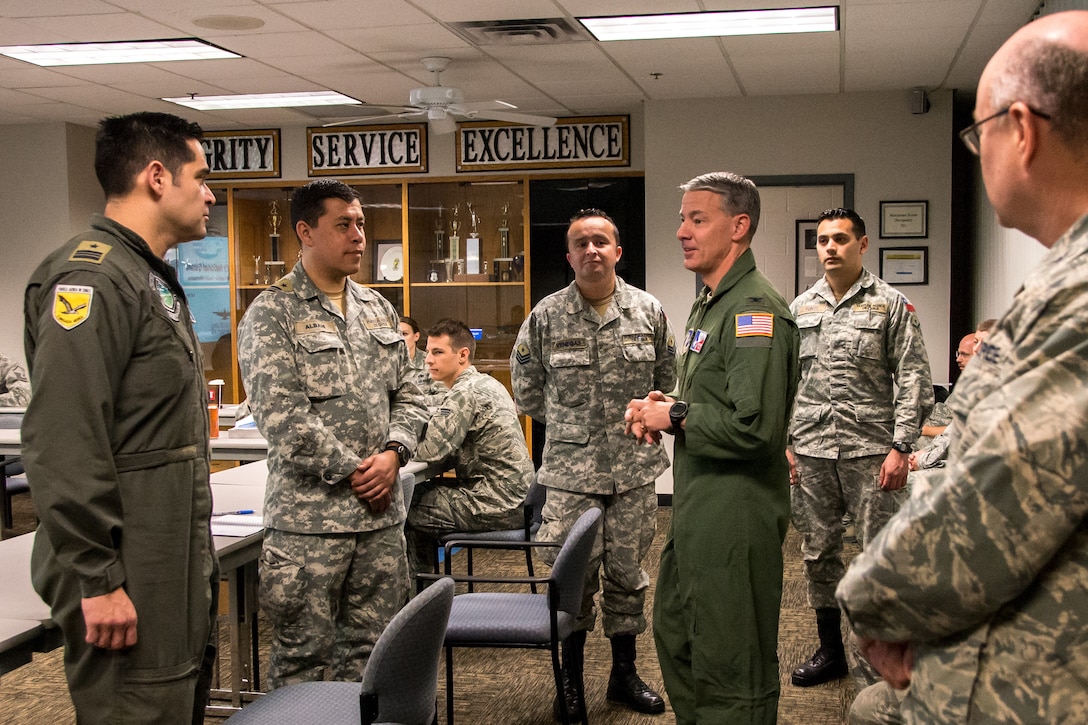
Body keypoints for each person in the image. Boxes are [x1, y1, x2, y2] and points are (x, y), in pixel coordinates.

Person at [838, 11, 1088, 724]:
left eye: (980, 135)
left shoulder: (1077, 296)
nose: (980, 155)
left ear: (1024, 129)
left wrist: (873, 604)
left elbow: (999, 497)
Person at [22, 111, 218, 723]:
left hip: (164, 554)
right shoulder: (93, 279)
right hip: (124, 563)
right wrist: (98, 577)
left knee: (168, 699)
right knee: (136, 708)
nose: (210, 193)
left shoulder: (145, 276)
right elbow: (64, 440)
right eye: (201, 176)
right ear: (157, 178)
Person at [237, 179, 428, 688]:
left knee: (376, 662)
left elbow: (414, 391)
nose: (358, 236)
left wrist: (394, 453)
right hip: (309, 530)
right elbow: (284, 418)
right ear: (306, 232)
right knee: (304, 665)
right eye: (343, 224)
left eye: (361, 223)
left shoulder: (378, 309)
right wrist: (358, 471)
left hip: (379, 522)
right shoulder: (271, 314)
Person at [625, 172, 800, 724]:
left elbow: (758, 429)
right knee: (679, 635)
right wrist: (670, 406)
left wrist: (675, 414)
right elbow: (718, 398)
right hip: (699, 509)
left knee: (732, 664)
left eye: (697, 219)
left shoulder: (755, 311)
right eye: (683, 219)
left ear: (739, 226)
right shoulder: (710, 303)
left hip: (736, 514)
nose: (681, 231)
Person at [511, 208, 675, 718]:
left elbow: (667, 381)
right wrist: (572, 425)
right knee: (572, 581)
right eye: (580, 243)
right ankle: (571, 682)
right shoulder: (546, 316)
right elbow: (526, 388)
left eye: (601, 241)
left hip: (633, 473)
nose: (591, 250)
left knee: (628, 577)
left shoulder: (649, 311)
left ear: (618, 251)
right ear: (569, 256)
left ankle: (623, 676)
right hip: (570, 476)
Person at [785, 207, 933, 689]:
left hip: (873, 454)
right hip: (810, 450)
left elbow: (914, 381)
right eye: (823, 240)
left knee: (880, 556)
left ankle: (881, 659)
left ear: (862, 245)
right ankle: (831, 650)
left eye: (841, 239)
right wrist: (785, 443)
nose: (830, 247)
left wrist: (902, 447)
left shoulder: (890, 304)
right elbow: (786, 383)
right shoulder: (799, 307)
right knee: (818, 553)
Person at [406, 318, 533, 578]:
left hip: (497, 503)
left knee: (404, 504)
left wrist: (395, 441)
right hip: (517, 498)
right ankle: (428, 591)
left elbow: (430, 450)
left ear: (463, 355)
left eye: (438, 352)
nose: (428, 359)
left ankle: (418, 598)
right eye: (428, 351)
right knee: (420, 492)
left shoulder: (465, 393)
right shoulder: (485, 383)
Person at [399, 315, 429, 386]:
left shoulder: (429, 362)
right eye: (397, 334)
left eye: (405, 334)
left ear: (416, 336)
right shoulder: (387, 363)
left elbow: (442, 393)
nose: (400, 338)